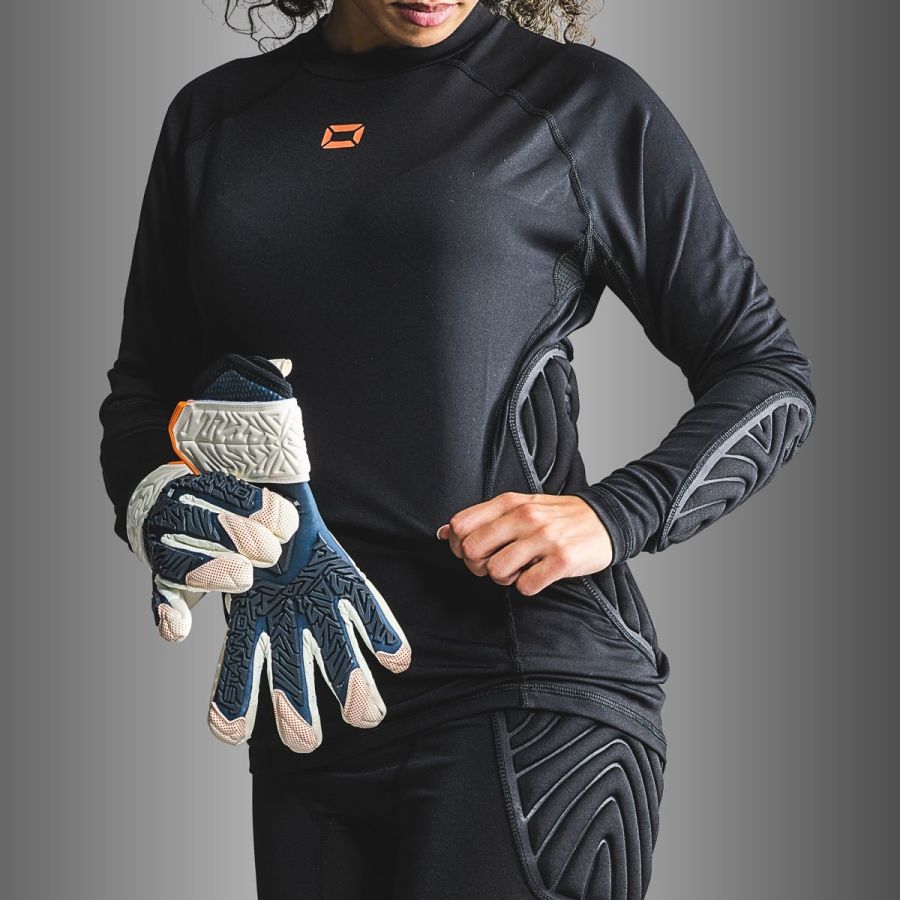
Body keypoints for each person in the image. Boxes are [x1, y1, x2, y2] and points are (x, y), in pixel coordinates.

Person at [98, 1, 817, 897]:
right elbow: (144, 390)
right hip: (308, 694)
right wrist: (152, 497)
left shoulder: (576, 104)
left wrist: (614, 515)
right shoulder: (216, 119)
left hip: (527, 690)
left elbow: (768, 373)